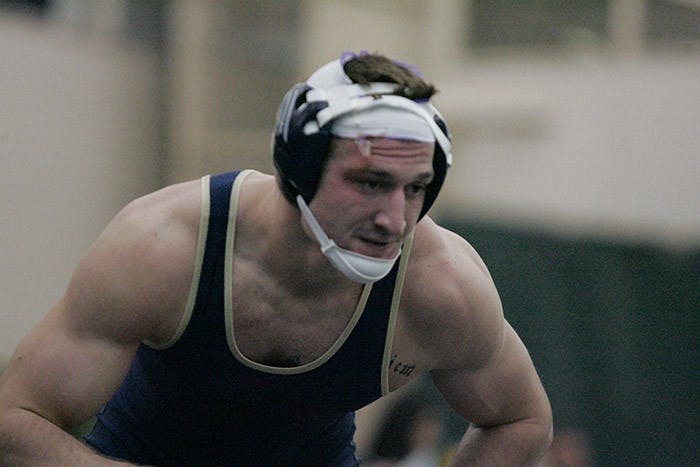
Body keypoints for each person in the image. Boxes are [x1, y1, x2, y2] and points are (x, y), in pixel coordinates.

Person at [0, 51, 552, 466]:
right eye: (370, 182)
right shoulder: (164, 247)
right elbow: (16, 420)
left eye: (415, 189)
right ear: (299, 168)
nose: (394, 220)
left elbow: (522, 420)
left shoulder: (441, 286)